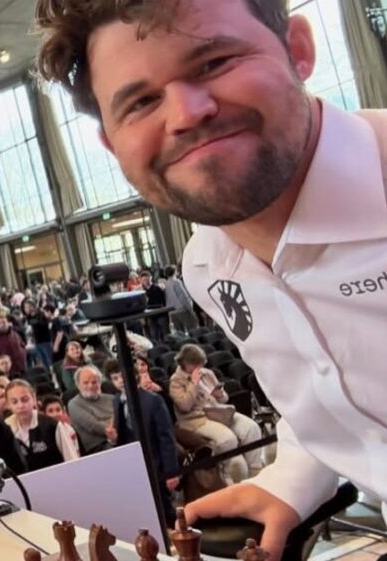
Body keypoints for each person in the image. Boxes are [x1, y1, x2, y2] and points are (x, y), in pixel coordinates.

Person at [35, 2, 387, 547]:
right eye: (141, 102)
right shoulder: (208, 264)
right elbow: (325, 382)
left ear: (298, 49)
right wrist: (296, 475)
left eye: (215, 62)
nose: (186, 113)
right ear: (111, 142)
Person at [170, 345, 264, 483]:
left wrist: (219, 394)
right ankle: (225, 477)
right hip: (196, 420)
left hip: (218, 411)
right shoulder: (176, 381)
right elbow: (185, 406)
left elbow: (224, 399)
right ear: (186, 364)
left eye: (201, 365)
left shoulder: (207, 373)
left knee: (251, 428)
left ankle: (255, 472)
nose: (199, 368)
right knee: (228, 439)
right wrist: (194, 384)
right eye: (196, 365)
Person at [107, 366, 180, 526]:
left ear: (134, 376)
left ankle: (177, 532)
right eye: (115, 378)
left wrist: (171, 471)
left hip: (155, 461)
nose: (120, 381)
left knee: (164, 507)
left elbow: (166, 437)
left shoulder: (153, 400)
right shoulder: (116, 400)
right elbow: (121, 436)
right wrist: (113, 439)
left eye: (122, 376)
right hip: (133, 464)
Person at [4, 380, 64, 473]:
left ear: (34, 398)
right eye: (14, 402)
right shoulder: (6, 429)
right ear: (8, 405)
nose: (20, 405)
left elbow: (71, 459)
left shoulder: (52, 425)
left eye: (25, 400)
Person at [67, 366, 117, 455]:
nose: (90, 386)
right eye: (85, 383)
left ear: (100, 383)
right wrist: (112, 428)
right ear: (78, 385)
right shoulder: (74, 404)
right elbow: (93, 425)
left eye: (94, 382)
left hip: (120, 436)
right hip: (99, 447)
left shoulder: (111, 399)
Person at [40, 395, 82, 462]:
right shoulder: (42, 434)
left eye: (58, 410)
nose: (55, 414)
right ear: (44, 414)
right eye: (50, 411)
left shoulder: (71, 430)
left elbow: (78, 452)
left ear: (63, 411)